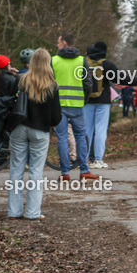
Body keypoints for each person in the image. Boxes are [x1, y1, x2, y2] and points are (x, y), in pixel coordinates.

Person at [8, 48, 61, 220]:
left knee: (16, 170)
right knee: (36, 172)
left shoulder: (21, 80)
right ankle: (32, 212)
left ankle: (14, 211)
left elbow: (10, 104)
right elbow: (56, 117)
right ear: (47, 63)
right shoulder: (52, 85)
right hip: (40, 131)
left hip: (19, 128)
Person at [51, 32, 98, 182]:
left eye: (58, 42)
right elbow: (88, 83)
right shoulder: (81, 60)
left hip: (59, 106)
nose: (57, 45)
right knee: (80, 137)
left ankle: (65, 173)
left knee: (62, 138)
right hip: (77, 105)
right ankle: (84, 170)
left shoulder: (54, 61)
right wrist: (84, 99)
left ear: (64, 43)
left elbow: (48, 84)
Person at [83, 41, 123, 169]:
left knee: (87, 130)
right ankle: (98, 160)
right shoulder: (107, 64)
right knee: (100, 130)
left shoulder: (83, 63)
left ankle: (84, 159)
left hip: (87, 101)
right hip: (103, 101)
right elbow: (120, 79)